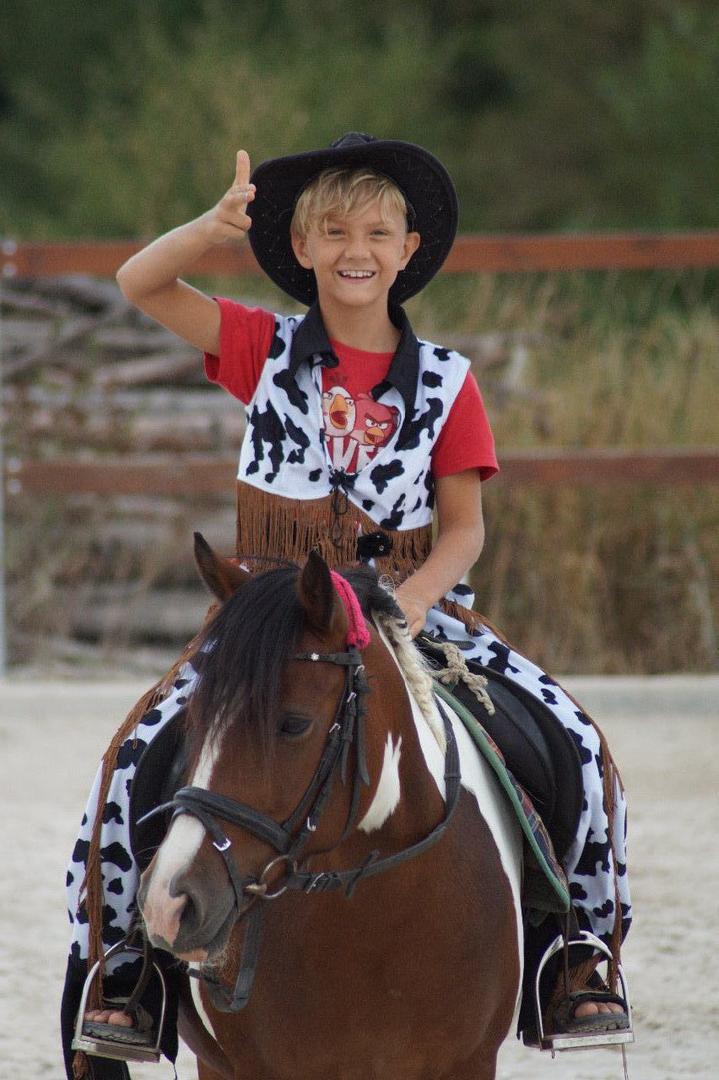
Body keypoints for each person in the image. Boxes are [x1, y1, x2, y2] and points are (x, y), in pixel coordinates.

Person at [62, 133, 631, 1077]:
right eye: (333, 231)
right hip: (268, 614)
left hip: (412, 615)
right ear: (303, 246)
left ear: (408, 250)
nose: (354, 249)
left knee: (573, 741)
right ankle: (126, 964)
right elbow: (139, 283)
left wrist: (402, 609)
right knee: (133, 760)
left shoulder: (447, 382)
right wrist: (208, 228)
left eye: (375, 233)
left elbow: (463, 531)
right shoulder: (261, 347)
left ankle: (573, 950)